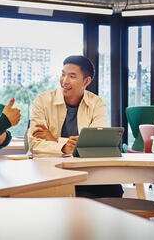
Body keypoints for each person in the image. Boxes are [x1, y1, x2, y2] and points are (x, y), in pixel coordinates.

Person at [28, 55, 123, 198]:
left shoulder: (97, 103)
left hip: (85, 168)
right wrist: (65, 146)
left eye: (72, 76)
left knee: (114, 189)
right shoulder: (42, 101)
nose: (64, 81)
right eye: (63, 74)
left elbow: (95, 144)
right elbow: (34, 143)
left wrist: (53, 139)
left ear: (86, 81)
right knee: (80, 194)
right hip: (48, 168)